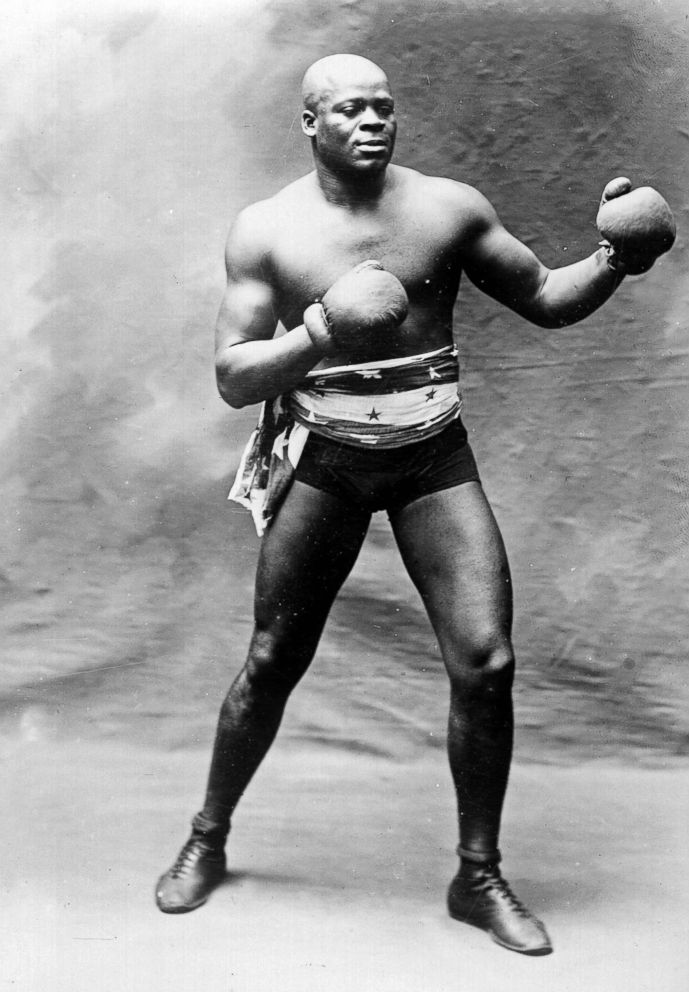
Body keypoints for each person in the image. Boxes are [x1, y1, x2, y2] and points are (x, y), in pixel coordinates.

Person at [155, 53, 670, 955]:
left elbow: (547, 299)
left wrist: (614, 259)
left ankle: (477, 877)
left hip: (432, 455)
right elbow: (232, 377)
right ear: (308, 124)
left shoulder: (446, 208)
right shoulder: (267, 229)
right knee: (273, 656)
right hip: (326, 461)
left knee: (487, 661)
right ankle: (208, 835)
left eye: (382, 107)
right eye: (348, 110)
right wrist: (317, 332)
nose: (371, 122)